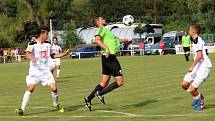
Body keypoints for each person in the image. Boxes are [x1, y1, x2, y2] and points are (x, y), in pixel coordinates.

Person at [15, 25, 71, 115]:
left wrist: (64, 54)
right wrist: (32, 58)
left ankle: (55, 103)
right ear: (42, 33)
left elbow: (52, 55)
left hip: (45, 71)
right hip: (35, 71)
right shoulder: (32, 43)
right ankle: (22, 109)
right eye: (47, 33)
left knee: (54, 88)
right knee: (31, 88)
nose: (48, 35)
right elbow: (27, 53)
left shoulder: (48, 44)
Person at [83, 16, 132, 111]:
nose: (104, 19)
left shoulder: (107, 31)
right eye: (102, 19)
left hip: (106, 59)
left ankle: (88, 99)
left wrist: (125, 40)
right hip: (110, 58)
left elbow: (115, 40)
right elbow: (97, 40)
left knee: (104, 82)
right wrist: (106, 48)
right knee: (120, 82)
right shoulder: (101, 29)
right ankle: (100, 93)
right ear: (98, 22)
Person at [181, 24, 212, 110]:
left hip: (204, 68)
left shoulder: (198, 40)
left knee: (193, 89)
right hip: (198, 66)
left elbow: (199, 56)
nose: (188, 31)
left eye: (190, 30)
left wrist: (191, 66)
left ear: (193, 31)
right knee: (184, 84)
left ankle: (201, 104)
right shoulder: (195, 40)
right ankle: (199, 96)